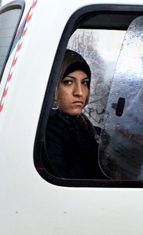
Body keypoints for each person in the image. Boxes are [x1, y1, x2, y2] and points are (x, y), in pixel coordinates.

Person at [42, 50, 107, 179]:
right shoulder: (51, 130)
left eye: (84, 83)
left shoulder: (85, 126)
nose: (79, 92)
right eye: (68, 82)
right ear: (52, 86)